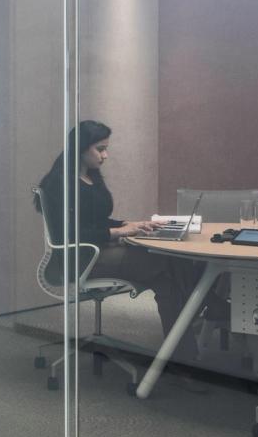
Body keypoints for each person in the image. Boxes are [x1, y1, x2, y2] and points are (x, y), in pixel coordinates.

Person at [35, 120, 201, 337]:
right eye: (100, 149)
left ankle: (183, 351)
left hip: (96, 249)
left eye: (106, 149)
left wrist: (128, 224)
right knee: (164, 262)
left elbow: (94, 220)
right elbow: (68, 234)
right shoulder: (60, 183)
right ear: (81, 148)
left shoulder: (90, 176)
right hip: (80, 258)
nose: (105, 156)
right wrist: (119, 232)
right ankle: (206, 313)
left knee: (169, 275)